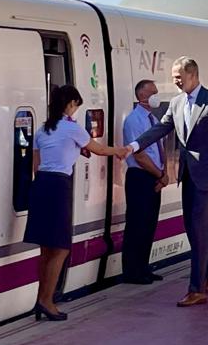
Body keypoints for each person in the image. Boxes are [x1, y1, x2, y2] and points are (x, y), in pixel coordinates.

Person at [129, 56, 208, 307]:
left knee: (199, 231)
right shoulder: (176, 103)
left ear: (193, 75)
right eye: (174, 77)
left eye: (179, 76)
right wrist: (133, 146)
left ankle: (196, 289)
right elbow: (161, 129)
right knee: (192, 229)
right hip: (188, 176)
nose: (175, 81)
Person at [24, 84, 130, 321]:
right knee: (61, 247)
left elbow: (37, 164)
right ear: (70, 104)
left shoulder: (43, 129)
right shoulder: (72, 128)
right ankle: (47, 301)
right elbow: (100, 150)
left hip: (41, 185)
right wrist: (120, 151)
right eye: (75, 106)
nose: (75, 111)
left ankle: (41, 298)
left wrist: (73, 151)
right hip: (59, 186)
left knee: (46, 248)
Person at [122, 79, 168, 284]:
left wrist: (163, 172)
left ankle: (144, 267)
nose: (157, 96)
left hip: (153, 177)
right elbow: (139, 155)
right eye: (153, 93)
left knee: (149, 224)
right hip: (139, 177)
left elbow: (161, 147)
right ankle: (132, 271)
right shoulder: (133, 120)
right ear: (142, 96)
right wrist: (160, 174)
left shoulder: (154, 120)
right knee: (137, 225)